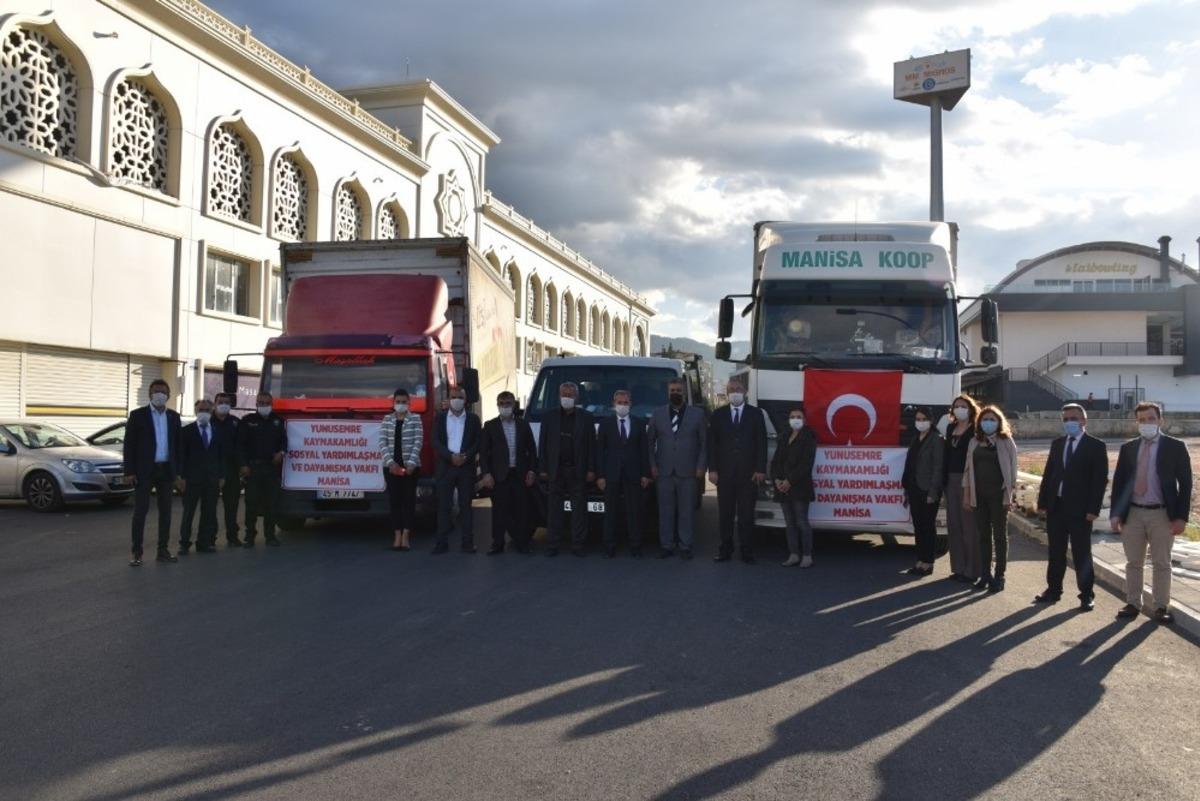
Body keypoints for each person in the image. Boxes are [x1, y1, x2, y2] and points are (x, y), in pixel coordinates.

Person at [1109, 402, 1193, 624]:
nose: (1147, 423)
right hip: (1134, 513)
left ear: (1160, 420)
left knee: (1161, 563)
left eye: (1151, 418)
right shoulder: (1128, 448)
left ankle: (1161, 606)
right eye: (1142, 420)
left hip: (1162, 514)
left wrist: (1181, 517)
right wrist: (1116, 513)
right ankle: (1133, 602)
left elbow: (1186, 484)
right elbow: (1119, 483)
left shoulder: (1175, 447)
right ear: (1137, 422)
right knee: (1133, 562)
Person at [1034, 403, 1108, 612]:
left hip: (1081, 510)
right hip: (1056, 507)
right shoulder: (1058, 444)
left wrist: (1094, 509)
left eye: (1073, 419)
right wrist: (1042, 502)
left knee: (1081, 553)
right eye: (1065, 419)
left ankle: (1086, 595)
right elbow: (1049, 474)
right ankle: (1053, 590)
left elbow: (1099, 480)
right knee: (1055, 551)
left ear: (1084, 421)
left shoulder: (1096, 446)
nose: (1069, 423)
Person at [123, 378, 182, 566]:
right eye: (156, 391)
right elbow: (129, 445)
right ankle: (137, 552)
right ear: (149, 394)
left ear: (169, 395)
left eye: (163, 392)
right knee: (140, 512)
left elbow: (177, 447)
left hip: (166, 470)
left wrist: (178, 472)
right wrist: (129, 471)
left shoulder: (173, 417)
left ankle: (162, 550)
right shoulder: (137, 415)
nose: (159, 395)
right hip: (144, 470)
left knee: (166, 512)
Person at [708, 379, 767, 563]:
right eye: (731, 389)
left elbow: (761, 443)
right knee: (725, 514)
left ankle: (746, 551)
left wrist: (760, 468)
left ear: (745, 391)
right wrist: (713, 469)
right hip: (724, 474)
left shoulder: (756, 414)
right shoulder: (718, 415)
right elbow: (712, 445)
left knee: (746, 515)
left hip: (748, 474)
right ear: (727, 392)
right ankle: (725, 549)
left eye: (738, 389)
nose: (735, 392)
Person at [647, 377, 707, 559]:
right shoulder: (657, 414)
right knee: (665, 511)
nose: (675, 393)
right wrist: (652, 465)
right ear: (667, 392)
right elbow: (649, 443)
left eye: (678, 390)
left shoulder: (697, 414)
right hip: (663, 471)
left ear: (684, 392)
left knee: (686, 511)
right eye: (672, 390)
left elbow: (704, 444)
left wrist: (701, 467)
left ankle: (685, 546)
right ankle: (666, 545)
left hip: (688, 471)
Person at [963, 405, 1018, 592]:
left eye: (992, 420)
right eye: (985, 420)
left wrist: (1009, 496)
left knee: (1000, 536)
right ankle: (985, 574)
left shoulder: (1006, 441)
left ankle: (1000, 575)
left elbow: (1012, 472)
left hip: (999, 495)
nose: (988, 423)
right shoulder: (974, 441)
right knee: (983, 536)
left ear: (999, 422)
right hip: (979, 496)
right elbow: (967, 470)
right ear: (979, 423)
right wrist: (967, 495)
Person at [537, 382, 595, 557]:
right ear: (559, 396)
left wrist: (591, 469)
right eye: (564, 394)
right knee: (554, 509)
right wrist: (543, 468)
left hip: (577, 469)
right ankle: (553, 544)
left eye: (570, 395)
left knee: (579, 510)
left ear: (576, 397)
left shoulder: (586, 417)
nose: (567, 398)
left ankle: (578, 545)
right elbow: (543, 444)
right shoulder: (549, 417)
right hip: (556, 470)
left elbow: (592, 445)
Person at [595, 389, 651, 558]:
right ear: (614, 404)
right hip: (611, 473)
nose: (622, 406)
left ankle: (636, 545)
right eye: (619, 402)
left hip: (633, 473)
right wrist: (600, 475)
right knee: (610, 511)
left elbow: (644, 451)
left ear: (630, 404)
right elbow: (599, 451)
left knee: (634, 511)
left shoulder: (639, 423)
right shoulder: (605, 424)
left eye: (625, 403)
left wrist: (645, 474)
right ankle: (609, 546)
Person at [480, 391, 537, 555]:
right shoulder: (490, 426)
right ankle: (497, 544)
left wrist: (532, 470)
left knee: (521, 510)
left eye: (508, 403)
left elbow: (532, 450)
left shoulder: (522, 424)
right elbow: (484, 453)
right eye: (502, 403)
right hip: (499, 476)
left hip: (519, 474)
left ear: (514, 405)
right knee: (499, 511)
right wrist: (486, 474)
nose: (505, 407)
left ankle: (521, 543)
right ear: (498, 405)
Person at [431, 385, 482, 554]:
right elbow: (435, 441)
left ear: (465, 400)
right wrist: (449, 456)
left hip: (465, 468)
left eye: (460, 397)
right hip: (446, 467)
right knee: (444, 507)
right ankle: (441, 543)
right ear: (449, 399)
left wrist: (466, 456)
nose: (457, 400)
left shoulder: (473, 419)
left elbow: (477, 442)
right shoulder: (440, 418)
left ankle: (468, 543)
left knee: (466, 507)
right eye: (453, 397)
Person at [238, 392, 287, 548]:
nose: (263, 405)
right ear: (256, 403)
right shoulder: (247, 421)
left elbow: (285, 443)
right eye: (260, 402)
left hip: (271, 468)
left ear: (271, 404)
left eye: (266, 403)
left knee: (271, 504)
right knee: (251, 503)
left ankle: (270, 536)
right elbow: (240, 446)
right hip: (252, 468)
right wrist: (243, 465)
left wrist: (282, 453)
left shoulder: (278, 421)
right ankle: (250, 536)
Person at [770, 406, 816, 568]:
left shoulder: (808, 438)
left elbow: (806, 464)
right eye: (792, 416)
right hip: (782, 487)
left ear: (804, 420)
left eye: (799, 416)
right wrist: (776, 479)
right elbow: (776, 461)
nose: (795, 419)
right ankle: (794, 554)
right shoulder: (784, 436)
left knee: (802, 522)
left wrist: (789, 481)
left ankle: (807, 555)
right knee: (789, 524)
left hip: (799, 487)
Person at [177, 398, 225, 554]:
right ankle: (184, 543)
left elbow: (220, 456)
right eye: (201, 410)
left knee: (209, 512)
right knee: (188, 513)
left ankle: (206, 542)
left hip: (211, 479)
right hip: (191, 479)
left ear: (212, 412)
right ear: (195, 412)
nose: (204, 413)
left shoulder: (217, 431)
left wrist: (221, 476)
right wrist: (180, 477)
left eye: (207, 410)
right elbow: (181, 456)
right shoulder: (186, 431)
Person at [902, 406, 945, 576]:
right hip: (914, 488)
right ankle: (920, 560)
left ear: (931, 420)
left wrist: (933, 492)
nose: (920, 422)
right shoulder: (916, 438)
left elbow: (938, 467)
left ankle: (928, 562)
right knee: (918, 526)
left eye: (923, 419)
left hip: (928, 490)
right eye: (918, 419)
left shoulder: (937, 439)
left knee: (928, 527)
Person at [942, 395, 981, 583]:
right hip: (951, 479)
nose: (959, 409)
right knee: (954, 524)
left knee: (969, 526)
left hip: (969, 480)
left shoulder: (976, 429)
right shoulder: (950, 428)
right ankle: (958, 567)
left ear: (971, 408)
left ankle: (972, 570)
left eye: (963, 406)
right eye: (956, 406)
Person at [379, 388, 423, 552]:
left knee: (408, 502)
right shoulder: (386, 420)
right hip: (391, 469)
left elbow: (418, 441)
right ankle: (397, 535)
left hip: (411, 468)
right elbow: (382, 443)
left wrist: (411, 463)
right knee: (395, 502)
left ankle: (406, 535)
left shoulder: (415, 419)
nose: (401, 405)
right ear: (393, 403)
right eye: (398, 402)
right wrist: (391, 464)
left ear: (409, 403)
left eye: (404, 402)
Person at [211, 392, 242, 547]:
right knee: (210, 506)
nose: (224, 404)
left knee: (232, 506)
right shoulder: (207, 421)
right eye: (220, 401)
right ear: (215, 403)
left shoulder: (236, 422)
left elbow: (242, 446)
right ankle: (209, 538)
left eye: (227, 402)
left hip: (232, 470)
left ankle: (232, 536)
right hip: (212, 470)